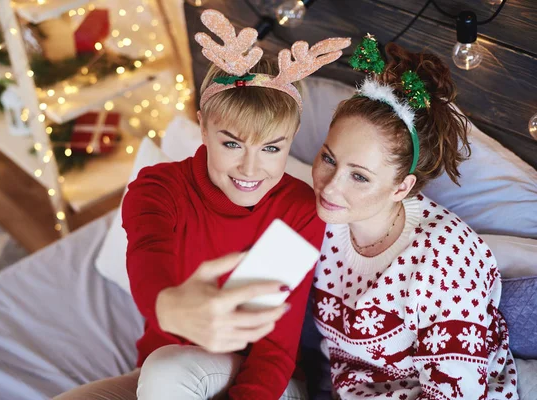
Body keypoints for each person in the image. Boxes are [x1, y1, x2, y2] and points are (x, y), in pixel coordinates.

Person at [53, 9, 349, 400]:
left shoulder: (297, 208)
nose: (250, 167)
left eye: (272, 148)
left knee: (167, 374)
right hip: (167, 370)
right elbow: (148, 255)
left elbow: (272, 351)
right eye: (232, 143)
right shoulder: (159, 188)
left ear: (291, 138)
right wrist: (169, 305)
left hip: (263, 383)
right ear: (203, 128)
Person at [310, 41, 518, 399]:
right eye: (329, 159)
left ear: (401, 187)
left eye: (359, 176)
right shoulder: (316, 217)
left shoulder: (445, 258)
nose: (329, 187)